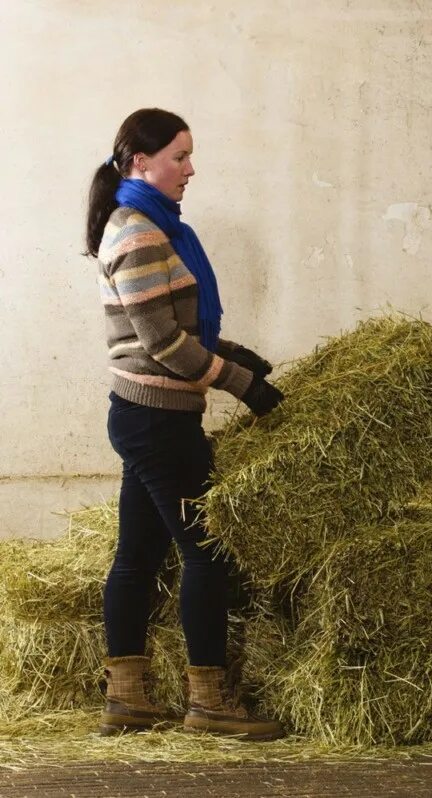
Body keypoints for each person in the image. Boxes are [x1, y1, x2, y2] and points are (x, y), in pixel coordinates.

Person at [85, 108, 285, 740]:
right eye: (180, 156)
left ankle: (128, 698)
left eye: (190, 156)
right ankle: (209, 703)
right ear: (141, 161)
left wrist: (230, 352)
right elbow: (167, 345)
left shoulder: (147, 226)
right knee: (207, 553)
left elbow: (170, 331)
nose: (190, 169)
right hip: (157, 422)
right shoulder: (140, 233)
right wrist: (242, 384)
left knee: (139, 553)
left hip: (145, 414)